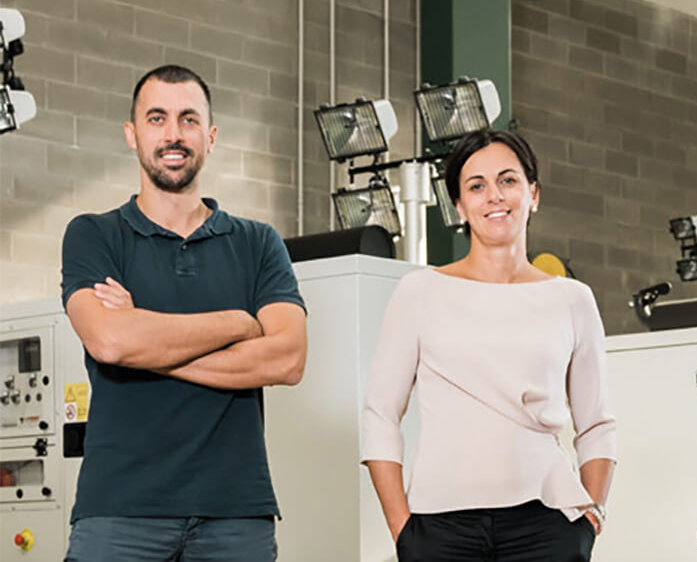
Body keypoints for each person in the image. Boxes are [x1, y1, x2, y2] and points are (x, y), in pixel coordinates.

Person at [61, 64, 307, 561]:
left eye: (188, 119)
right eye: (157, 119)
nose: (173, 134)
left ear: (210, 136)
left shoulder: (258, 243)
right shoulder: (93, 235)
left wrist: (143, 339)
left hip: (235, 513)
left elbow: (286, 359)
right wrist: (238, 323)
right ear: (132, 134)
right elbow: (109, 342)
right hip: (118, 513)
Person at [361, 130, 617, 562]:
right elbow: (380, 414)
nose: (494, 196)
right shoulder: (419, 291)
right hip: (439, 526)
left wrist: (592, 517)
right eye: (476, 186)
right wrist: (401, 528)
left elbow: (597, 424)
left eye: (508, 180)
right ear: (459, 206)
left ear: (533, 193)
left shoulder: (573, 298)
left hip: (548, 523)